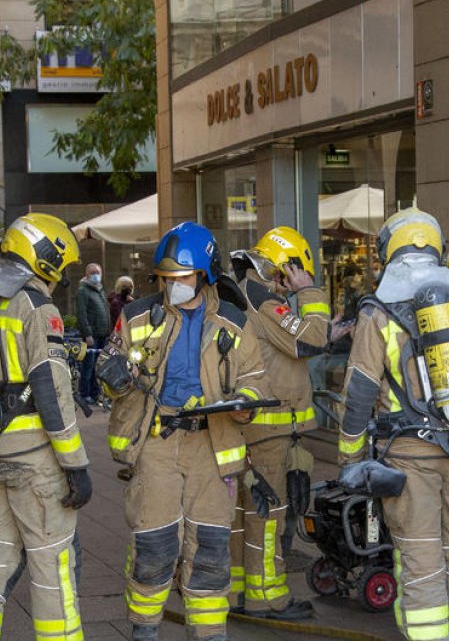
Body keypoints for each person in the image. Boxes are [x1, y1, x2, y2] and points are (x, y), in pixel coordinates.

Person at [338, 209, 449, 641]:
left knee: (420, 559)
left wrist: (350, 455)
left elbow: (359, 392)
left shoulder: (377, 312)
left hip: (409, 455)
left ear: (389, 251)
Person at [98, 222, 267, 641]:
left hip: (213, 443)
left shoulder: (233, 321)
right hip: (157, 442)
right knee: (153, 546)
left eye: (181, 278)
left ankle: (211, 634)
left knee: (210, 550)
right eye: (166, 278)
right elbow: (110, 370)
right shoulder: (138, 315)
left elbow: (255, 377)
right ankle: (145, 630)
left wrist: (245, 402)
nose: (171, 285)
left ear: (205, 273)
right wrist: (113, 375)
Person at [0, 213, 91, 641]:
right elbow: (50, 390)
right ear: (44, 257)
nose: (62, 276)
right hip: (33, 461)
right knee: (53, 566)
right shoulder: (34, 303)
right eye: (61, 265)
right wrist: (76, 465)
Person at [230, 227, 330, 619]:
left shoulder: (245, 294)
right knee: (268, 517)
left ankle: (239, 593)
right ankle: (268, 598)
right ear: (285, 267)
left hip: (251, 428)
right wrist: (309, 293)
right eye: (296, 272)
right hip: (269, 432)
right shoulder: (266, 303)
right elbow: (312, 340)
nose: (295, 283)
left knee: (245, 515)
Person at [75, 262, 110, 404]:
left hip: (102, 333)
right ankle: (85, 394)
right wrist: (87, 334)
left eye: (98, 272)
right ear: (87, 274)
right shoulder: (83, 291)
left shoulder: (100, 290)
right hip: (92, 335)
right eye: (92, 272)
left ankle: (95, 394)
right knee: (88, 366)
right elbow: (81, 314)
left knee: (98, 366)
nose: (96, 275)